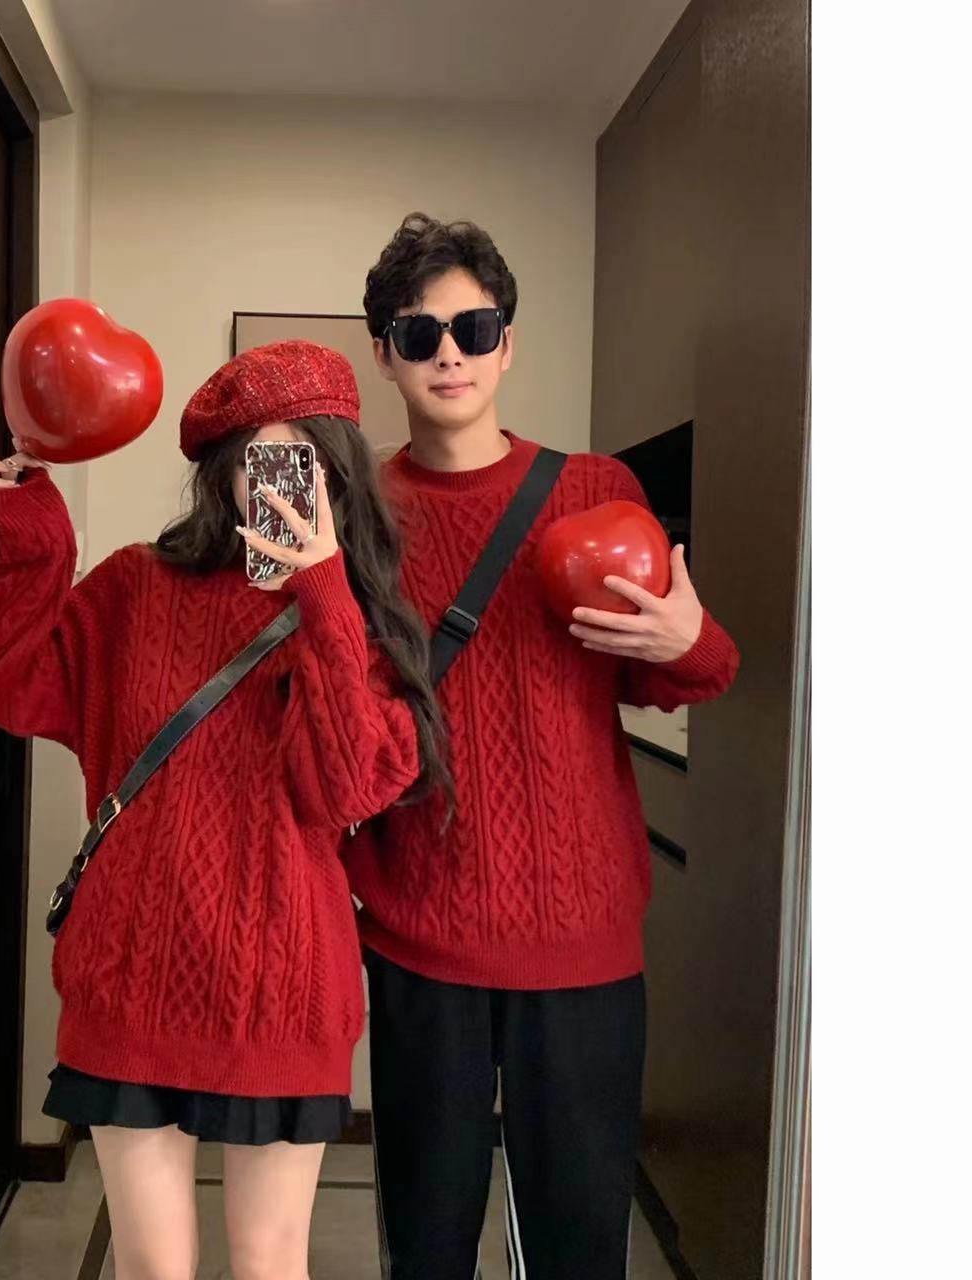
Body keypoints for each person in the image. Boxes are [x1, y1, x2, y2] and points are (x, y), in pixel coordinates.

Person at [0, 339, 446, 1280]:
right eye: (260, 460)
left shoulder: (364, 618)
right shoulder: (136, 587)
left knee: (268, 1263)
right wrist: (34, 543)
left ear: (340, 474)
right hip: (132, 973)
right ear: (221, 475)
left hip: (282, 985)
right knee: (152, 1263)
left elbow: (349, 787)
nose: (280, 484)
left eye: (305, 461)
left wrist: (322, 592)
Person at [346, 214, 741, 1280]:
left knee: (577, 1243)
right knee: (425, 1241)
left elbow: (686, 674)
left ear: (507, 343)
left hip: (581, 935)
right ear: (383, 353)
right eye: (418, 333)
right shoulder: (358, 515)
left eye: (473, 328)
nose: (449, 354)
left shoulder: (595, 491)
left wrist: (688, 639)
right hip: (420, 933)